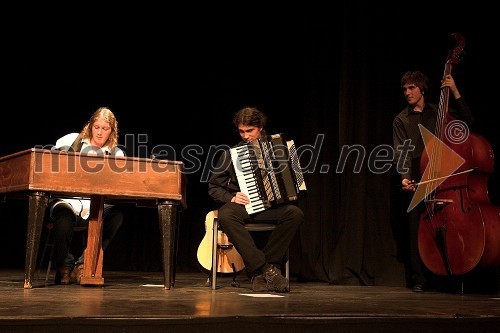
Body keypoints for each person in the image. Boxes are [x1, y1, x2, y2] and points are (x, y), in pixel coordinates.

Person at [207, 106, 304, 293]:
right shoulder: (232, 154)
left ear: (260, 127)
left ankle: (263, 271)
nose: (245, 136)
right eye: (241, 131)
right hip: (246, 206)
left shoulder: (281, 148)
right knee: (226, 214)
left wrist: (297, 180)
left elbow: (295, 179)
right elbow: (213, 186)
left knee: (295, 213)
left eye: (249, 131)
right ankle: (266, 269)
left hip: (272, 207)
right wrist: (231, 196)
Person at [392, 70, 473, 292]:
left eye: (411, 88)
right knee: (415, 230)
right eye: (405, 89)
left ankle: (452, 272)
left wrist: (454, 90)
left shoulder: (439, 111)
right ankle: (419, 278)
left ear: (422, 90)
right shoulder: (401, 119)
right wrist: (405, 176)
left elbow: (467, 122)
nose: (407, 93)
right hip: (419, 177)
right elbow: (401, 152)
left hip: (446, 178)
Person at [49, 107, 125, 285]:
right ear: (90, 126)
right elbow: (49, 164)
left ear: (111, 131)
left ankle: (84, 263)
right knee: (62, 219)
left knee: (116, 217)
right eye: (96, 127)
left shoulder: (116, 153)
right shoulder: (70, 140)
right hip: (68, 200)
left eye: (104, 129)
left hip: (96, 205)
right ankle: (65, 267)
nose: (99, 132)